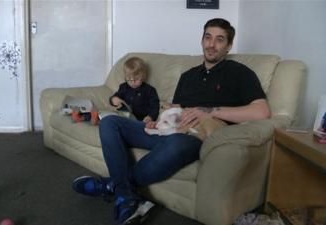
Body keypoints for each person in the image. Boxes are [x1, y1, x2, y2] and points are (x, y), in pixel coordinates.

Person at [72, 18, 271, 225]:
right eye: (208, 37)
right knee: (110, 122)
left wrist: (209, 111)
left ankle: (116, 189)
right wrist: (156, 123)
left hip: (194, 137)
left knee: (177, 144)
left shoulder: (239, 73)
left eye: (220, 40)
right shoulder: (188, 76)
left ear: (228, 46)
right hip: (168, 130)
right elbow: (173, 110)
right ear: (202, 40)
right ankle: (125, 193)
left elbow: (262, 111)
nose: (212, 44)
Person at [110, 57, 160, 122]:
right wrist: (113, 99)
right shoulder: (123, 87)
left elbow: (155, 107)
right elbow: (116, 96)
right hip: (124, 117)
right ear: (125, 77)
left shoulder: (150, 90)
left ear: (143, 76)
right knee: (111, 118)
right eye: (129, 79)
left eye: (136, 79)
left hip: (141, 120)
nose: (133, 82)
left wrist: (150, 117)